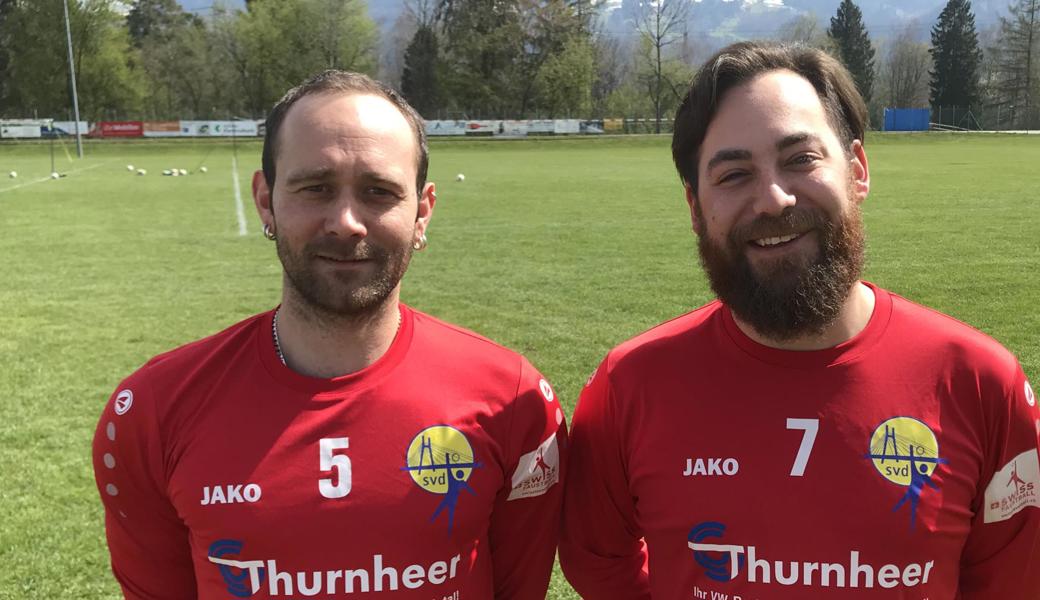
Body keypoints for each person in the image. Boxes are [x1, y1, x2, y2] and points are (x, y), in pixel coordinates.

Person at [559, 41, 1039, 599]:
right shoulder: (629, 386)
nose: (774, 198)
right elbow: (599, 562)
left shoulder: (981, 382)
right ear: (694, 208)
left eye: (800, 159)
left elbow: (1010, 582)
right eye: (734, 174)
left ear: (857, 170)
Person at [93, 71, 566, 600]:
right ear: (267, 200)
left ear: (423, 212)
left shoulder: (514, 400)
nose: (345, 222)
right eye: (316, 188)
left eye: (378, 192)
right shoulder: (153, 410)